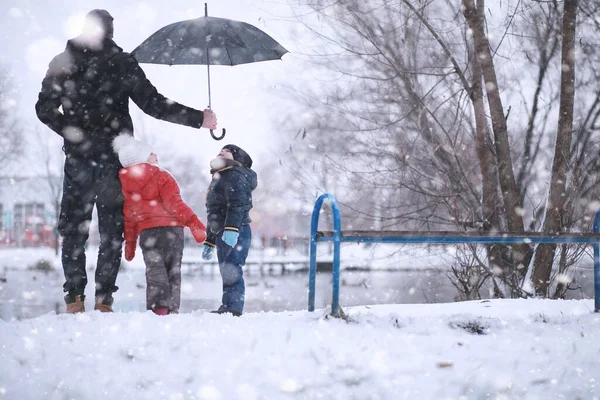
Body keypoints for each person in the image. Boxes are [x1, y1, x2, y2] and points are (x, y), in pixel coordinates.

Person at [35, 9, 217, 314]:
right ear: (111, 32)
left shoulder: (62, 63)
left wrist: (75, 134)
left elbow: (44, 109)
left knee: (74, 231)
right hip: (115, 162)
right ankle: (104, 300)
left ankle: (74, 300)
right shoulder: (121, 63)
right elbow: (154, 103)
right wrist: (199, 119)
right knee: (111, 232)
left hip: (79, 161)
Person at [113, 134, 207, 315]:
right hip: (172, 230)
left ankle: (159, 309)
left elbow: (130, 218)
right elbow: (175, 204)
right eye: (150, 152)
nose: (155, 154)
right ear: (142, 158)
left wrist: (130, 245)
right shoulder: (162, 176)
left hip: (148, 234)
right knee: (173, 271)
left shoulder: (126, 186)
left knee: (155, 271)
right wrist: (194, 223)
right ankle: (172, 310)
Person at [202, 145, 257, 316]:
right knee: (226, 269)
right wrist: (210, 240)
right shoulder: (220, 176)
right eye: (220, 149)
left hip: (236, 229)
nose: (221, 150)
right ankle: (228, 306)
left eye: (227, 150)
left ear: (236, 158)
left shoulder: (235, 174)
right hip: (223, 231)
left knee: (232, 268)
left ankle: (233, 307)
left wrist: (232, 228)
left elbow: (238, 203)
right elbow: (214, 212)